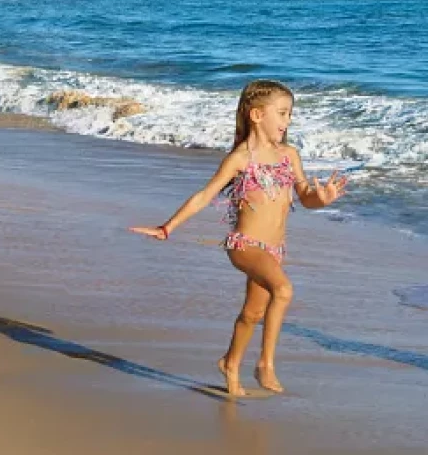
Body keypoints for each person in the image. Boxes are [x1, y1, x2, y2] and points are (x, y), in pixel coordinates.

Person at [130, 79, 349, 397]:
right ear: (257, 115)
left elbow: (305, 197)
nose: (287, 122)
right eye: (283, 113)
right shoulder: (240, 159)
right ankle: (266, 364)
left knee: (253, 313)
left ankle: (230, 364)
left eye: (290, 115)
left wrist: (323, 198)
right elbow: (205, 195)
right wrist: (168, 227)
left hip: (274, 249)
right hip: (244, 245)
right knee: (284, 290)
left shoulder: (289, 155)